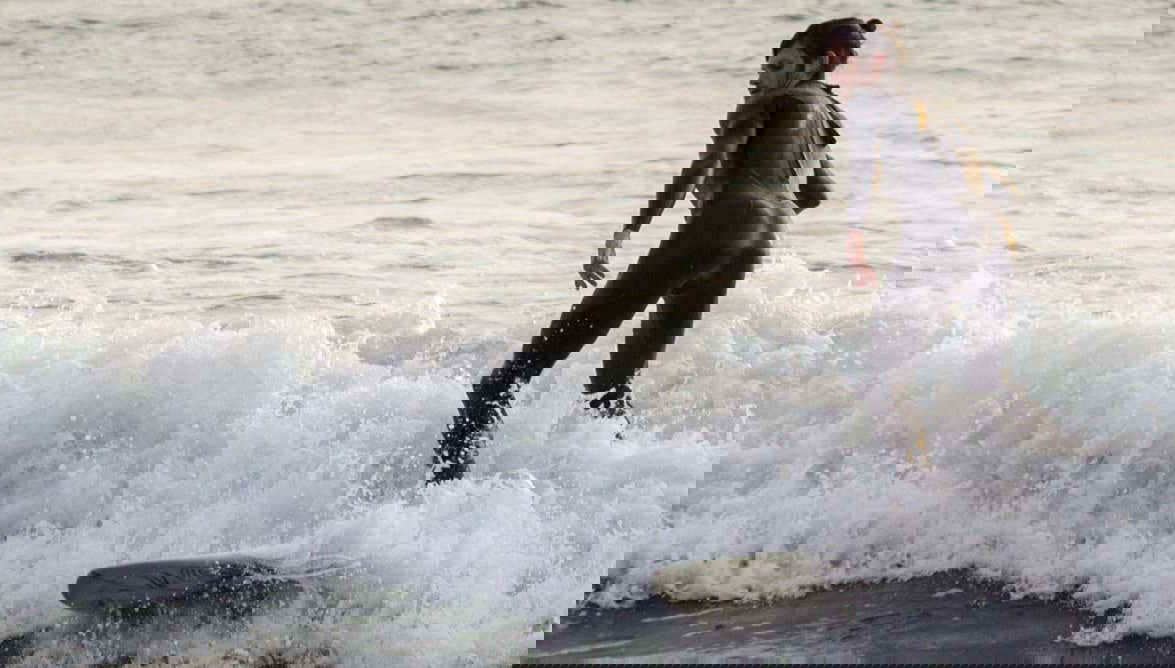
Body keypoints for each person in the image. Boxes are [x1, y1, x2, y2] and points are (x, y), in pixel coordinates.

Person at [431, 17, 882, 484]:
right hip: (762, 233)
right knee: (615, 375)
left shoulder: (782, 97)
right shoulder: (826, 114)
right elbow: (814, 195)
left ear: (801, 56)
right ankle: (615, 486)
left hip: (731, 218)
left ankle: (443, 482)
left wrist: (620, 238)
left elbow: (701, 166)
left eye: (783, 56)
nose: (770, 67)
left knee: (538, 355)